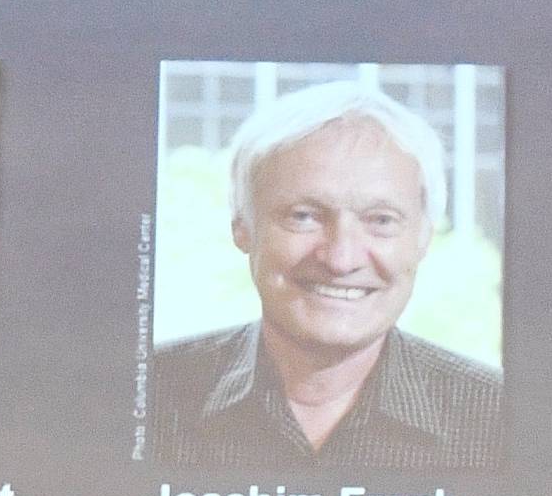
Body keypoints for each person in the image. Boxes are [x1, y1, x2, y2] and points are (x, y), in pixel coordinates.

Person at [152, 81, 502, 470]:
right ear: (242, 227)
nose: (340, 259)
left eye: (381, 220)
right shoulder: (144, 398)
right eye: (304, 216)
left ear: (423, 239)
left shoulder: (502, 419)